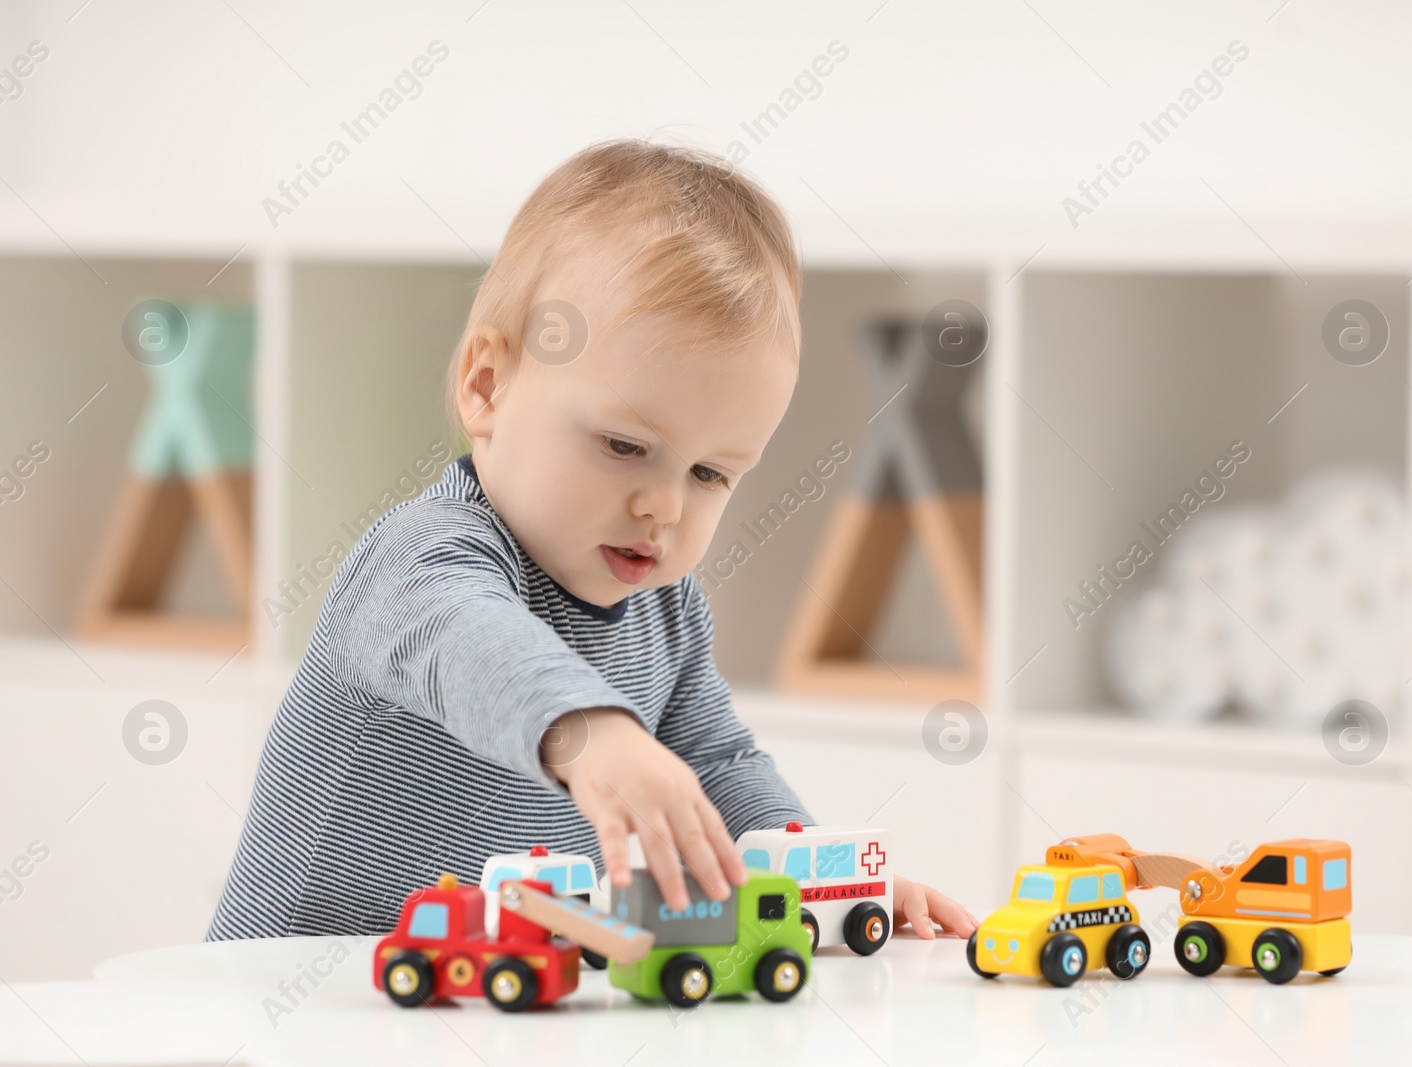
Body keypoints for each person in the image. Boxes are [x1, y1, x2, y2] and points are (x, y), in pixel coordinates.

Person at [207, 139, 975, 943]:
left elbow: (719, 768)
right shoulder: (420, 559)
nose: (663, 506)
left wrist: (822, 875)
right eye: (623, 446)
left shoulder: (664, 611)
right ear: (487, 385)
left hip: (473, 1009)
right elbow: (476, 647)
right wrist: (595, 736)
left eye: (711, 474)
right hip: (296, 999)